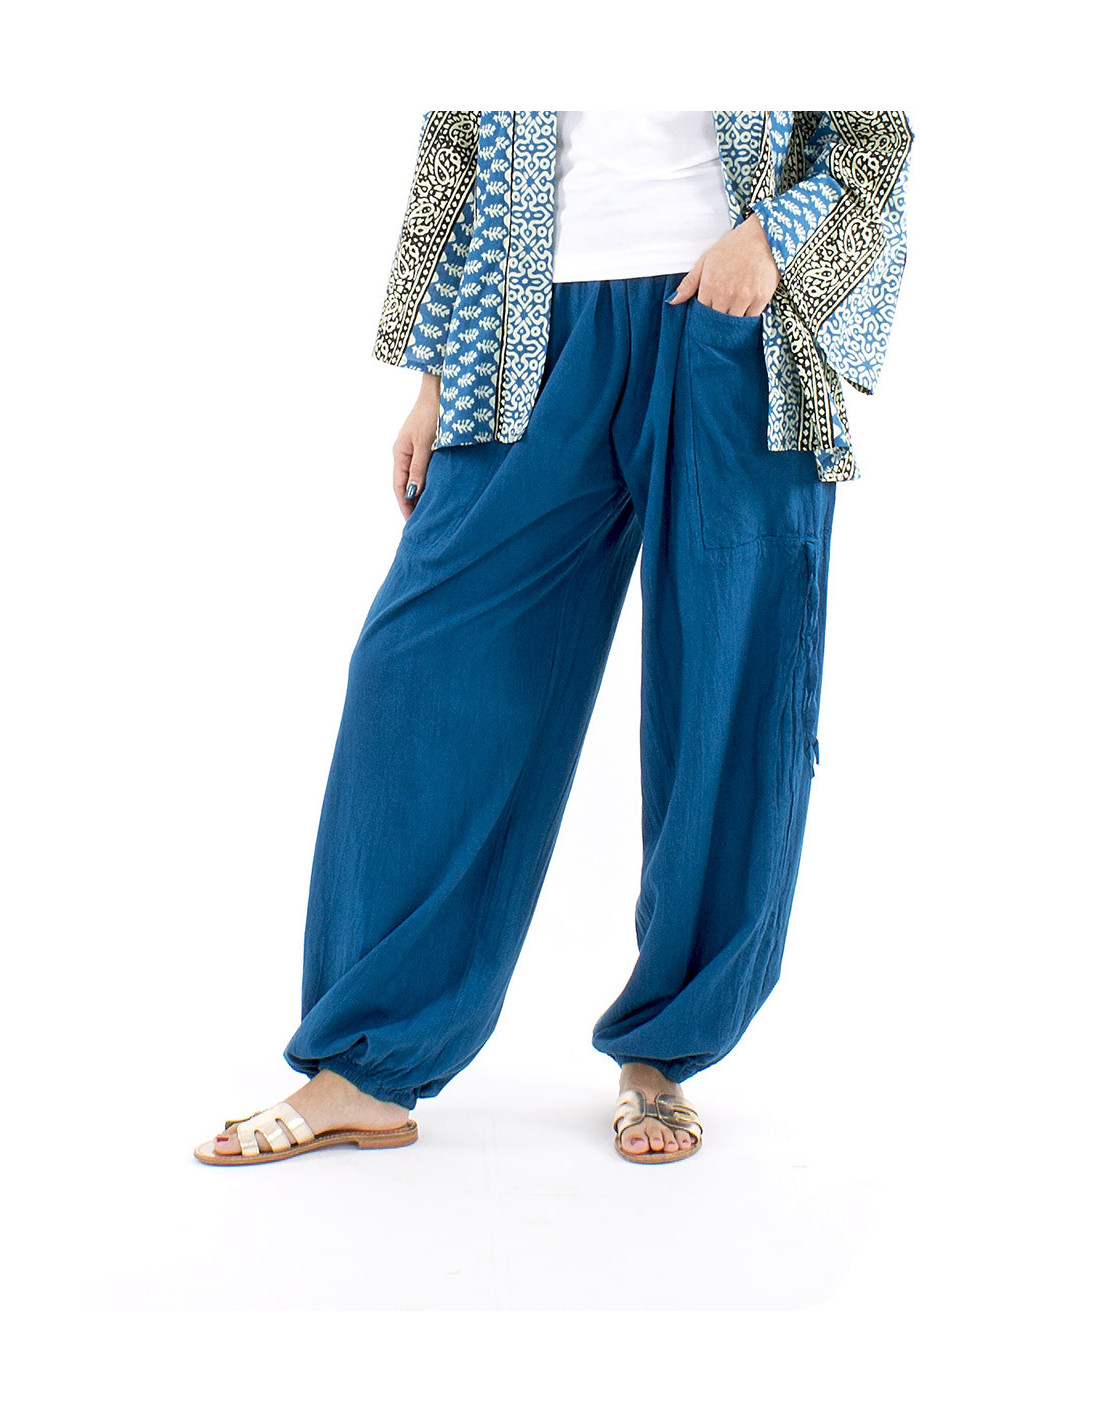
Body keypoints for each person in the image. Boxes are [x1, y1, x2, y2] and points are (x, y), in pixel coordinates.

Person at [194, 110, 914, 1168]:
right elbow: (456, 148)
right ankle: (364, 1065)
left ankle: (662, 1053)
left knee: (726, 689)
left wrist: (771, 239)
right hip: (522, 330)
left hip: (731, 318)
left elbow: (872, 129)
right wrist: (435, 378)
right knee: (417, 671)